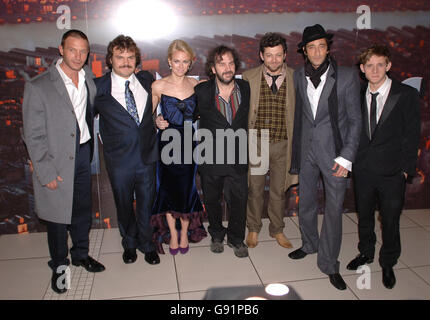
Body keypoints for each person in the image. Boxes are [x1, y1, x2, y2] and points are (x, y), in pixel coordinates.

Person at [22, 29, 105, 294]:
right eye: (72, 49)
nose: (78, 55)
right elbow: (32, 135)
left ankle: (81, 254)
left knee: (82, 210)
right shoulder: (39, 86)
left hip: (83, 154)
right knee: (58, 219)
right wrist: (45, 171)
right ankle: (60, 266)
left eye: (83, 50)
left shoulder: (89, 79)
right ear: (61, 49)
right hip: (56, 159)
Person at [288, 24, 361, 290]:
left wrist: (346, 157)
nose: (317, 51)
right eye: (311, 47)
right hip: (306, 151)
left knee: (332, 211)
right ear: (304, 52)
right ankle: (309, 244)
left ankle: (329, 263)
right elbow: (302, 116)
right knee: (305, 201)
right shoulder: (298, 76)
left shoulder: (348, 76)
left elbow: (355, 120)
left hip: (335, 155)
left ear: (328, 48)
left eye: (321, 46)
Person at [347, 44, 421, 289]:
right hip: (364, 170)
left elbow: (412, 135)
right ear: (362, 68)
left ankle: (388, 261)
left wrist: (404, 170)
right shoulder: (356, 93)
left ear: (388, 66)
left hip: (392, 173)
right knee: (365, 216)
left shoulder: (406, 95)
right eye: (370, 65)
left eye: (380, 64)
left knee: (390, 220)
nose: (375, 70)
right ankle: (366, 252)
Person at [94, 35, 160, 265]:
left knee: (146, 204)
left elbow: (152, 112)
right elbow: (82, 119)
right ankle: (129, 244)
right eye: (119, 57)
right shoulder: (98, 87)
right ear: (110, 60)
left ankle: (147, 243)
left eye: (130, 57)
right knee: (123, 205)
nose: (125, 62)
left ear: (137, 60)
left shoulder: (145, 79)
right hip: (119, 161)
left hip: (147, 157)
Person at [151, 40, 207, 255]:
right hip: (167, 144)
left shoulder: (196, 85)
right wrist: (157, 121)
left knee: (187, 190)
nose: (181, 65)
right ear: (169, 61)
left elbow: (204, 113)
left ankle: (184, 233)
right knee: (166, 190)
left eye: (185, 62)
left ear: (190, 63)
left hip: (188, 143)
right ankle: (173, 234)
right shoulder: (158, 86)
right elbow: (148, 116)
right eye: (177, 61)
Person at [194, 45, 250, 258]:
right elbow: (186, 113)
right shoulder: (202, 91)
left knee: (239, 200)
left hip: (237, 155)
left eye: (230, 63)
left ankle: (236, 238)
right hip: (211, 156)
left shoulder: (245, 88)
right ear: (212, 68)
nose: (227, 68)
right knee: (212, 199)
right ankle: (217, 234)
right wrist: (159, 119)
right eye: (221, 63)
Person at [242, 32, 297, 249]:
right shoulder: (249, 77)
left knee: (279, 190)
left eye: (278, 55)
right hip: (257, 142)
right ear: (261, 56)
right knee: (254, 189)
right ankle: (253, 228)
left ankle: (277, 229)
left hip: (284, 143)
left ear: (285, 55)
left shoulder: (296, 77)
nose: (274, 60)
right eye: (269, 55)